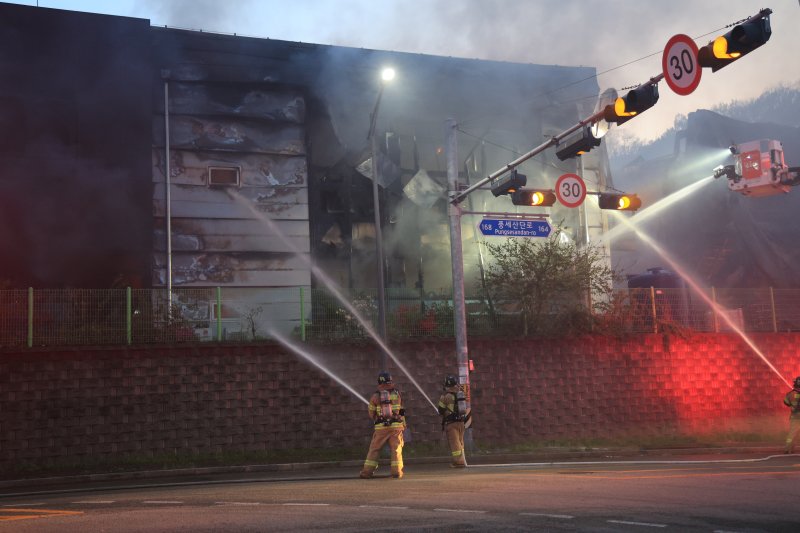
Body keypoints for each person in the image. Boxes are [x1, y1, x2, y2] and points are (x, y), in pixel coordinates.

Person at [359, 371, 406, 479]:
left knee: (374, 449)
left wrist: (377, 418)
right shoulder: (397, 394)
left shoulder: (375, 396)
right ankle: (396, 472)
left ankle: (366, 473)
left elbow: (371, 412)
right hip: (396, 427)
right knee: (396, 449)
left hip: (381, 428)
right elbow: (402, 410)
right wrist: (403, 422)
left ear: (379, 382)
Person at [438, 374, 467, 468]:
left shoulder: (445, 396)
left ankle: (459, 462)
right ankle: (462, 460)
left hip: (451, 423)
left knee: (455, 443)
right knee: (460, 441)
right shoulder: (460, 394)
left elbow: (440, 410)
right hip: (461, 422)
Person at [783, 376, 800, 454]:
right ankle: (790, 448)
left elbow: (786, 402)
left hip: (795, 417)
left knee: (792, 433)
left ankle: (788, 449)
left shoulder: (790, 394)